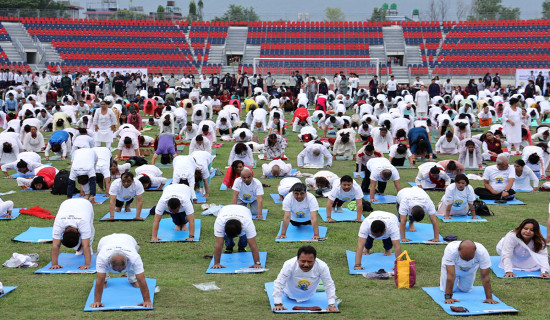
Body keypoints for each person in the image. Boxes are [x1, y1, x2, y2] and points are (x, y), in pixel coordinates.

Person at [90, 233, 152, 308]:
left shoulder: (134, 258)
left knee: (135, 270)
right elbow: (99, 279)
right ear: (108, 263)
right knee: (102, 277)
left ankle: (132, 279)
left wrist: (147, 301)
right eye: (116, 269)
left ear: (127, 261)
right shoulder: (102, 257)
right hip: (105, 241)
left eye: (122, 269)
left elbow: (141, 279)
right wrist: (97, 301)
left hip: (128, 239)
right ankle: (105, 280)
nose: (119, 272)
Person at [272, 246, 338, 312]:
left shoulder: (322, 266)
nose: (306, 265)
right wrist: (278, 304)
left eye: (310, 262)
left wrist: (331, 304)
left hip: (310, 295)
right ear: (297, 259)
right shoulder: (289, 264)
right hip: (288, 293)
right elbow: (279, 283)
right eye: (303, 261)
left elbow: (329, 284)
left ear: (315, 260)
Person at [440, 240, 498, 305]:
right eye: (464, 258)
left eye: (469, 259)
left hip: (470, 269)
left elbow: (485, 276)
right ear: (458, 250)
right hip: (453, 268)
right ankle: (445, 282)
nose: (466, 261)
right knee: (448, 289)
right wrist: (448, 297)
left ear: (475, 251)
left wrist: (489, 298)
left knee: (466, 290)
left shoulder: (482, 253)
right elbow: (451, 275)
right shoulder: (451, 250)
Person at [50, 199, 94, 270]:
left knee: (90, 233)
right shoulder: (59, 224)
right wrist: (54, 264)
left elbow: (86, 245)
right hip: (66, 203)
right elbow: (55, 245)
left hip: (85, 204)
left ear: (79, 235)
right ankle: (79, 249)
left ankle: (81, 249)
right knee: (85, 240)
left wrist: (87, 264)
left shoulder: (83, 222)